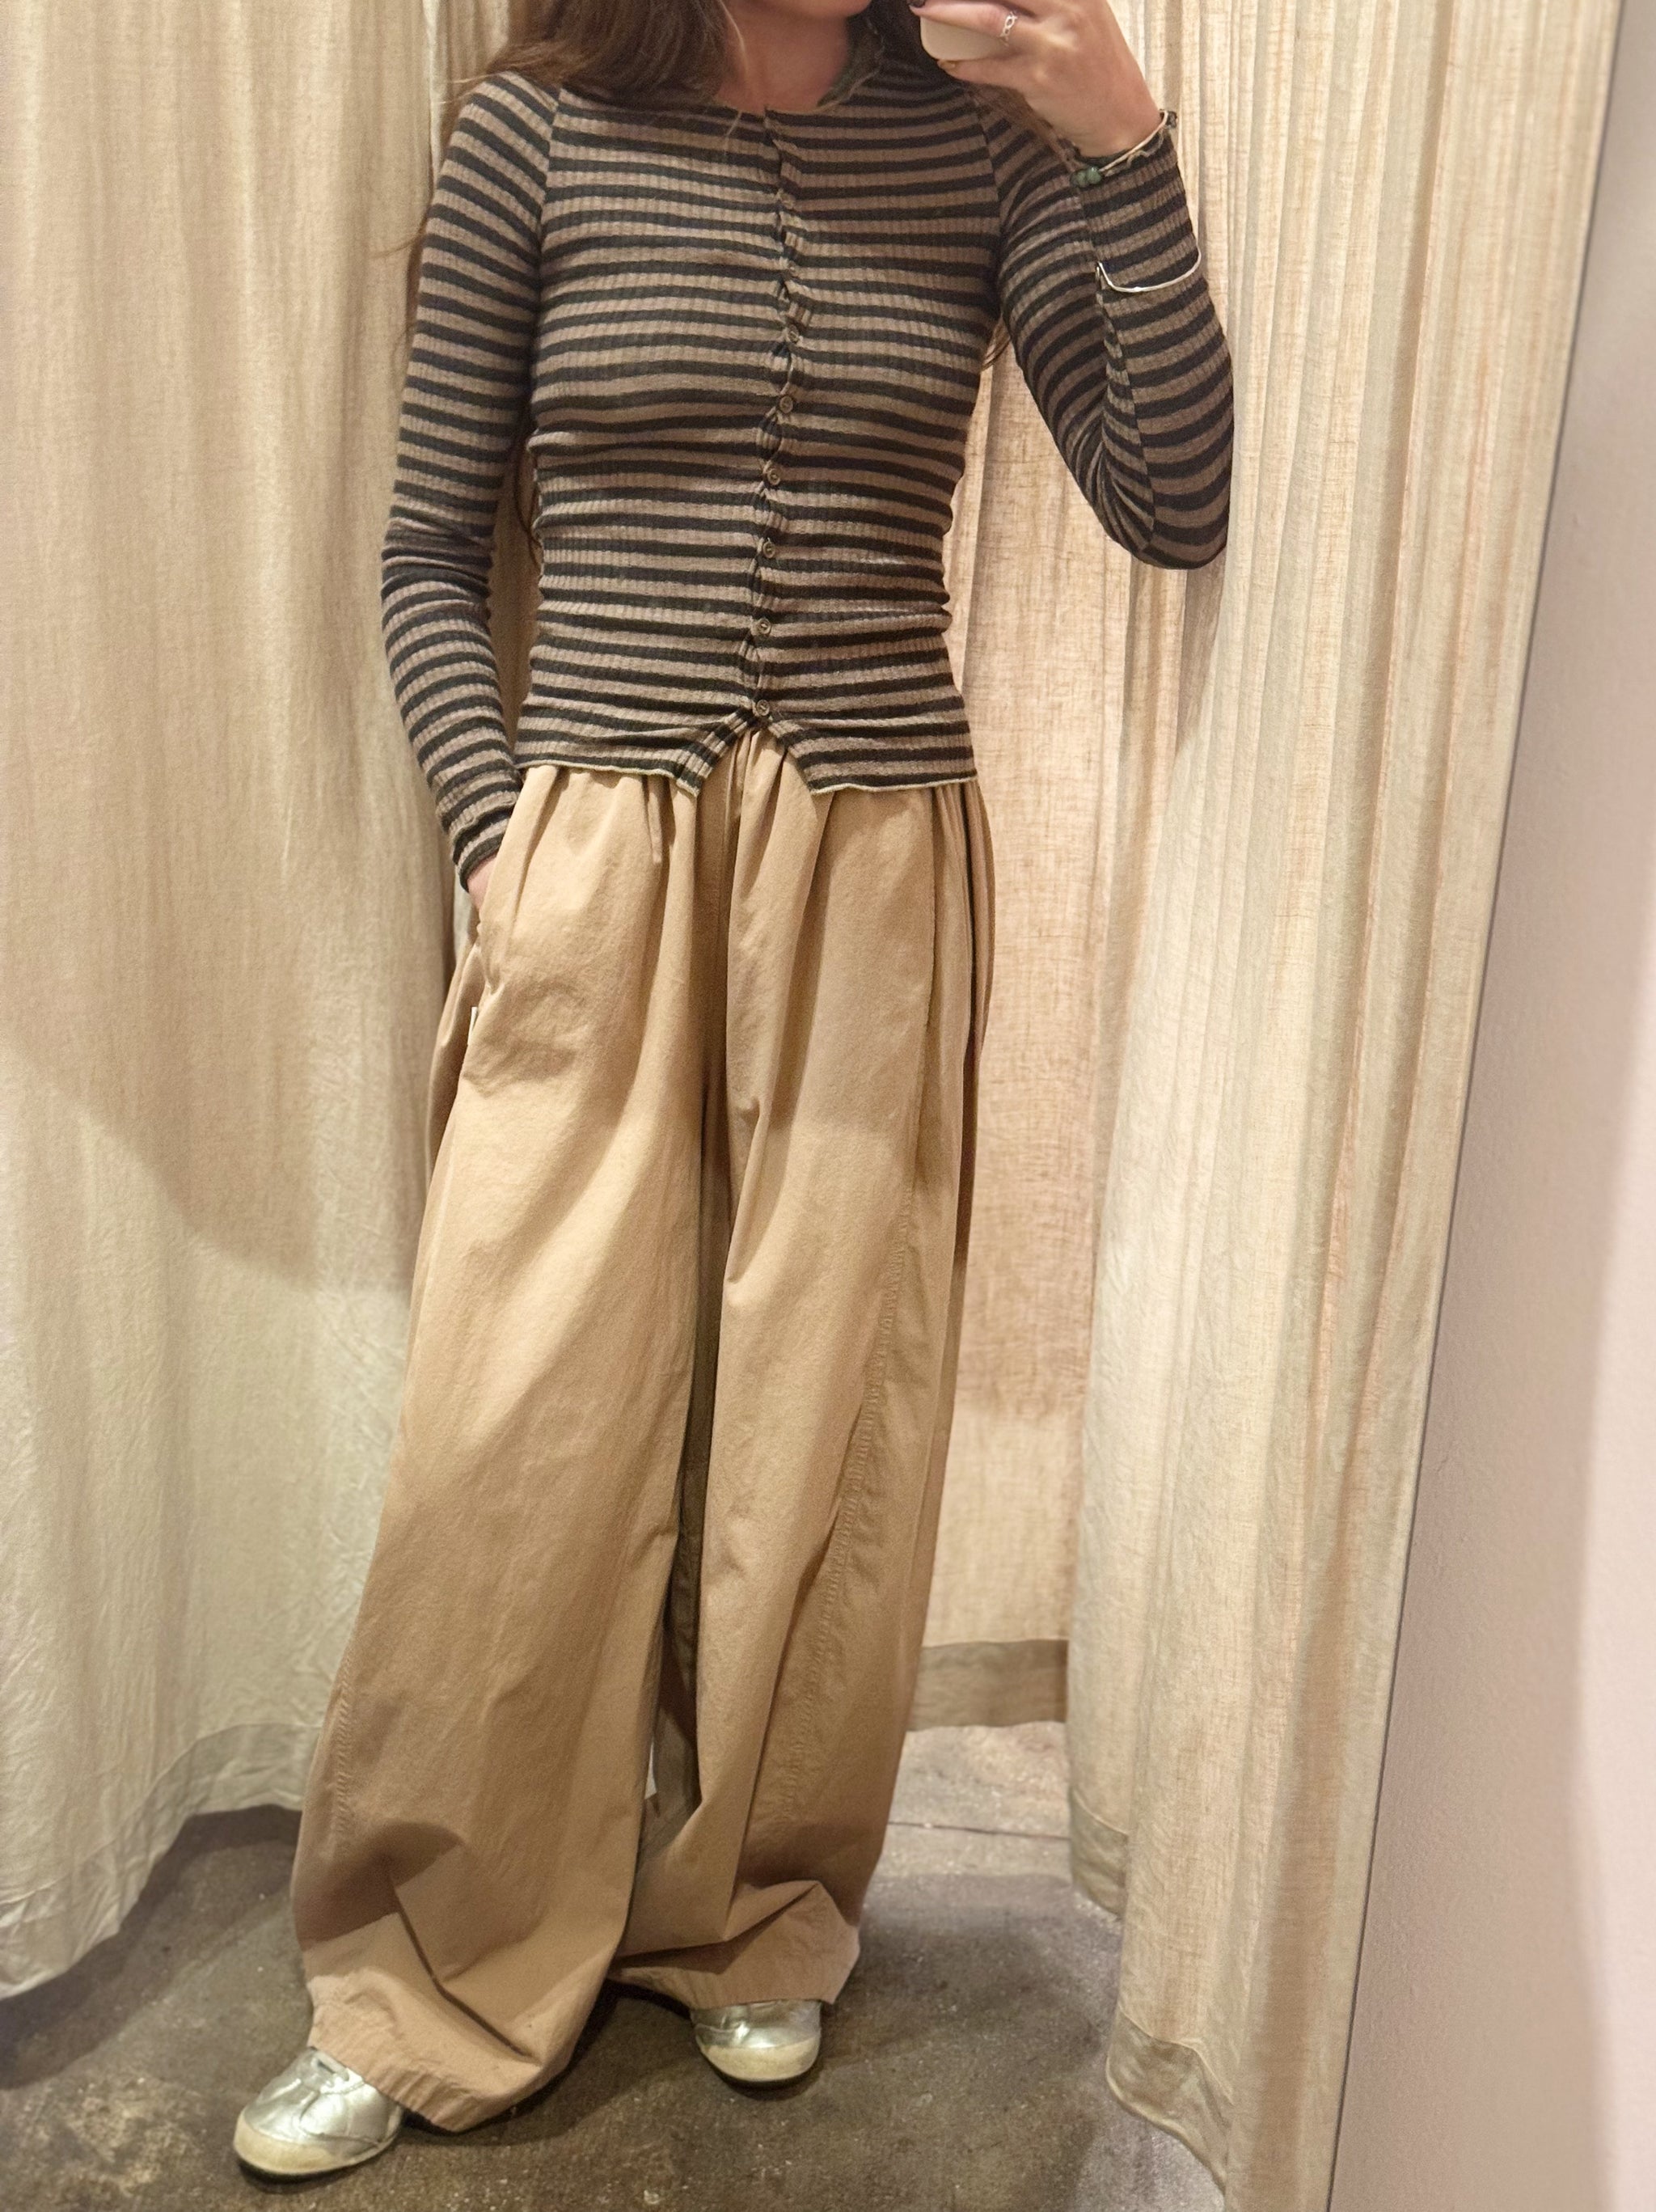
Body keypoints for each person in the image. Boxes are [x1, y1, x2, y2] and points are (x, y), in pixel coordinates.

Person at [234, 0, 1231, 2179]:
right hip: (596, 836)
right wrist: (499, 840)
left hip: (876, 853)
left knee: (821, 1418)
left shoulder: (979, 148)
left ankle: (756, 1908)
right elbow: (425, 553)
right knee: (517, 1423)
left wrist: (1115, 133)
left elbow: (1173, 501)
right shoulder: (535, 136)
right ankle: (420, 1962)